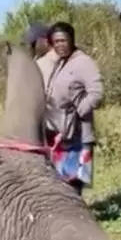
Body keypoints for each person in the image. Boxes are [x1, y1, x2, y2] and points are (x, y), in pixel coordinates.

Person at [41, 21, 103, 193]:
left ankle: (78, 217)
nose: (60, 45)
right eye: (56, 42)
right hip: (59, 133)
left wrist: (77, 113)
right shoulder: (61, 62)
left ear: (72, 40)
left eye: (64, 40)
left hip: (77, 134)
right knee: (60, 183)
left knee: (74, 183)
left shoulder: (83, 62)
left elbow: (96, 93)